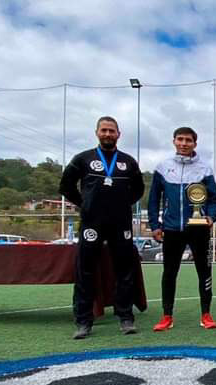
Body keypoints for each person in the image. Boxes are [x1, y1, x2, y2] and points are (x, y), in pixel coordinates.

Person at [59, 116, 144, 339]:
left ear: (118, 134)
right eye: (104, 130)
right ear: (97, 132)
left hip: (120, 223)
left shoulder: (128, 161)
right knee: (85, 270)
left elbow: (138, 189)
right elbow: (65, 186)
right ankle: (83, 321)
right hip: (92, 223)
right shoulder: (83, 159)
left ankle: (125, 317)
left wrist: (123, 204)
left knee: (124, 271)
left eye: (112, 131)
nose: (108, 134)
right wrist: (85, 204)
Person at [147, 127, 216, 332]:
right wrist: (155, 225)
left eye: (188, 140)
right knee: (169, 272)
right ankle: (167, 316)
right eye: (180, 139)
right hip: (171, 229)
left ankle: (206, 314)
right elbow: (154, 200)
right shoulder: (163, 167)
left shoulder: (205, 169)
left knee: (204, 271)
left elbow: (215, 200)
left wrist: (211, 217)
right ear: (174, 141)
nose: (184, 143)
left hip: (199, 230)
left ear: (195, 144)